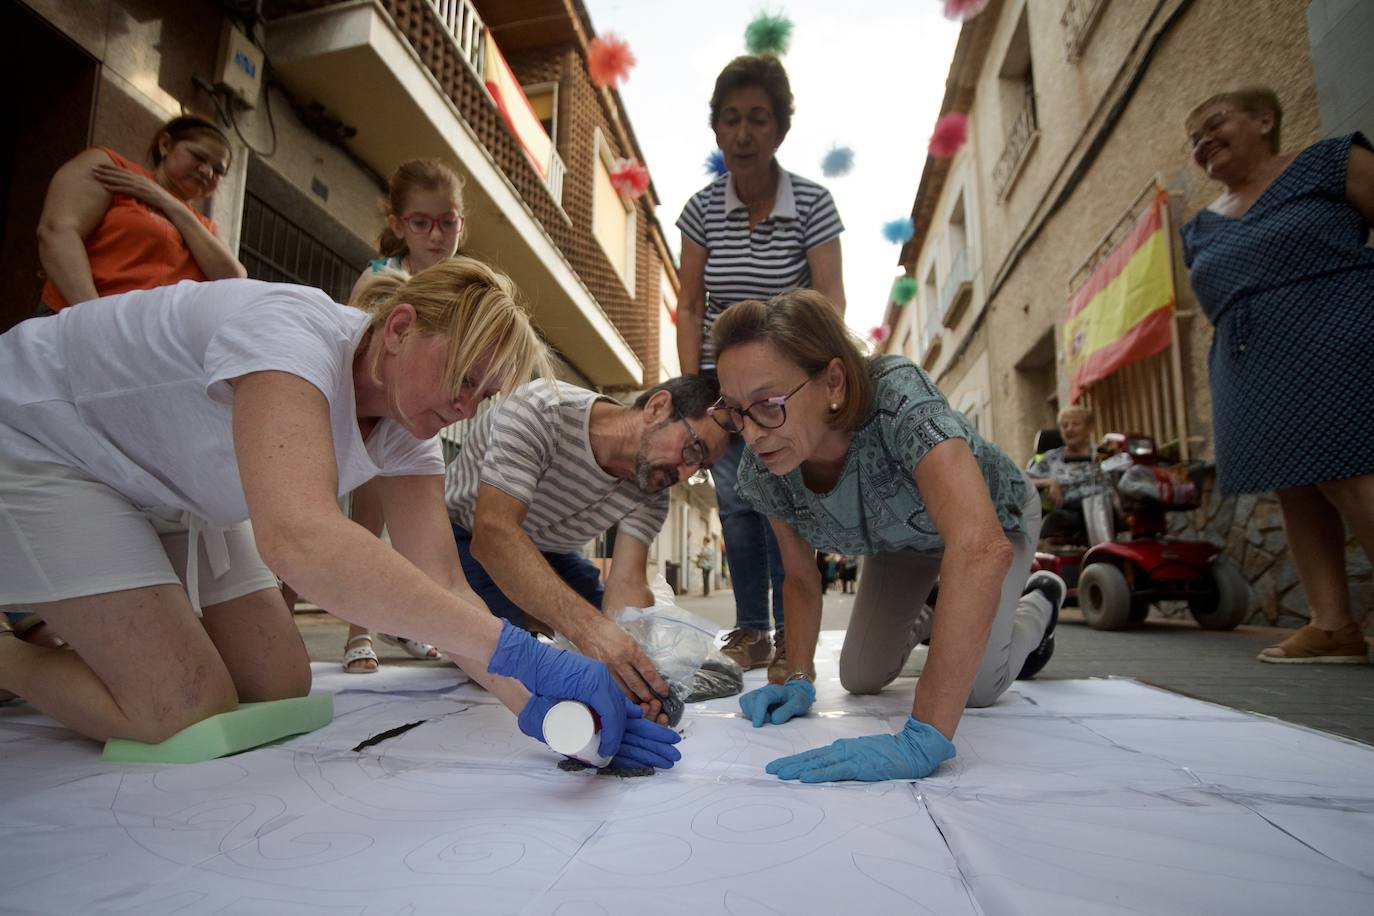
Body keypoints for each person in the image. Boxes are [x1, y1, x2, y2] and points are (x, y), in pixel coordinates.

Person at [0, 259, 680, 771]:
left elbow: (443, 583)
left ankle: (80, 619)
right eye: (464, 377)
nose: (468, 407)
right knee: (179, 705)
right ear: (400, 327)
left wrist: (539, 707)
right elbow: (299, 540)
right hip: (45, 440)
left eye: (485, 394)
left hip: (169, 484)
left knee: (277, 681)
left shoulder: (407, 429)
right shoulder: (289, 333)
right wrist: (527, 652)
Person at [709, 290, 1065, 783]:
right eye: (734, 411)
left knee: (982, 685)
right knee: (861, 676)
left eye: (768, 404)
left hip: (992, 519)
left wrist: (925, 734)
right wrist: (798, 674)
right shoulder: (765, 466)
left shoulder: (897, 395)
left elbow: (980, 548)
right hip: (900, 542)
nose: (750, 434)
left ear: (833, 380)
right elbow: (799, 577)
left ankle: (1040, 603)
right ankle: (938, 613)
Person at [1179, 87, 1373, 665]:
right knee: (1295, 485)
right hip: (1251, 361)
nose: (1203, 142)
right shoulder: (1200, 228)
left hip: (1335, 333)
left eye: (1215, 123)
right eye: (1194, 139)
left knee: (1352, 474)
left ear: (1265, 120)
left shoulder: (1330, 162)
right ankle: (1332, 624)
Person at [676, 54, 845, 681]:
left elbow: (830, 300)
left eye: (758, 119)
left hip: (788, 388)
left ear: (779, 129)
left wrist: (810, 386)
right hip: (728, 389)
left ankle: (789, 635)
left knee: (786, 504)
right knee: (738, 506)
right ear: (716, 130)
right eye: (730, 119)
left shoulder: (812, 204)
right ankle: (751, 629)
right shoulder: (699, 211)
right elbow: (690, 303)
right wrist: (698, 385)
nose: (743, 133)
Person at [444, 375, 729, 723]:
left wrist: (630, 665)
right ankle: (462, 626)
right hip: (463, 540)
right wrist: (590, 633)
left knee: (619, 641)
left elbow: (627, 582)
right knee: (528, 642)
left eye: (701, 468)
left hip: (549, 553)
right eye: (693, 450)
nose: (685, 473)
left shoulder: (652, 488)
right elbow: (494, 535)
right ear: (657, 407)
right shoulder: (544, 410)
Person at [339, 158, 469, 674]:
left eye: (448, 221)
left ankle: (413, 624)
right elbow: (357, 346)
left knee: (420, 533)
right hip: (378, 422)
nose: (437, 235)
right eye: (422, 222)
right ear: (397, 224)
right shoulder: (380, 277)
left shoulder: (462, 285)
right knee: (364, 524)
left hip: (425, 423)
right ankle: (356, 632)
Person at [35, 114, 246, 315]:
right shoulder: (113, 169)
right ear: (165, 145)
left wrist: (168, 203)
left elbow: (234, 281)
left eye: (218, 170)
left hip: (145, 343)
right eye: (198, 156)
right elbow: (57, 231)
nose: (207, 172)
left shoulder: (205, 227)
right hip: (74, 319)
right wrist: (94, 316)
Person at [1026, 405, 1112, 542]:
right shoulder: (1051, 458)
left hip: (1106, 511)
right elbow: (1022, 481)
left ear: (1089, 429)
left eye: (1076, 424)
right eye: (1064, 426)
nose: (1069, 429)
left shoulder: (1104, 453)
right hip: (1070, 515)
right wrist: (1049, 482)